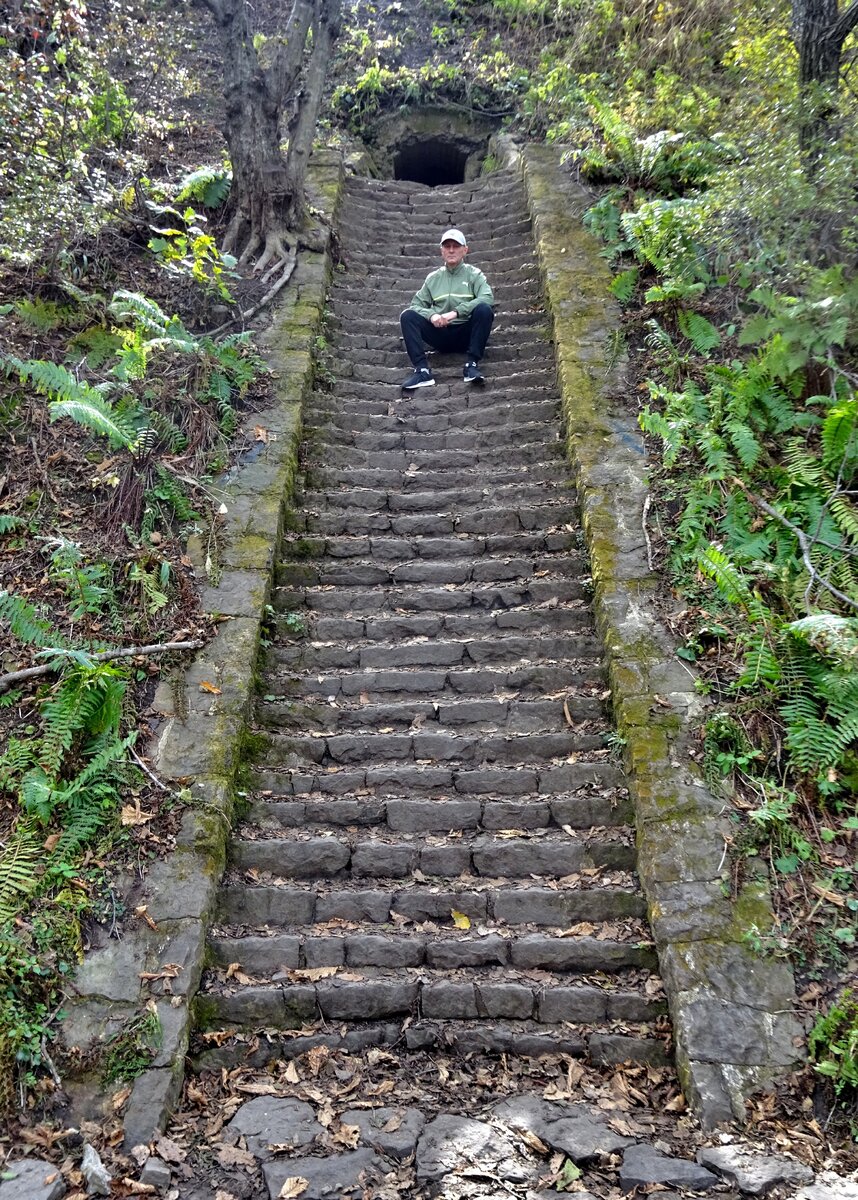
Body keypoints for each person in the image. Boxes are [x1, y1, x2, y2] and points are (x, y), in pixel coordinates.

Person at [399, 228, 494, 389]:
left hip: (466, 333)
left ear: (465, 250)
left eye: (456, 246)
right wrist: (432, 316)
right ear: (441, 251)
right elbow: (416, 305)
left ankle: (471, 365)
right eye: (447, 246)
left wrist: (456, 312)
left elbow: (487, 297)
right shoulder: (433, 278)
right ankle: (422, 371)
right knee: (407, 316)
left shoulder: (474, 275)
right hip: (440, 334)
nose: (451, 250)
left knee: (484, 309)